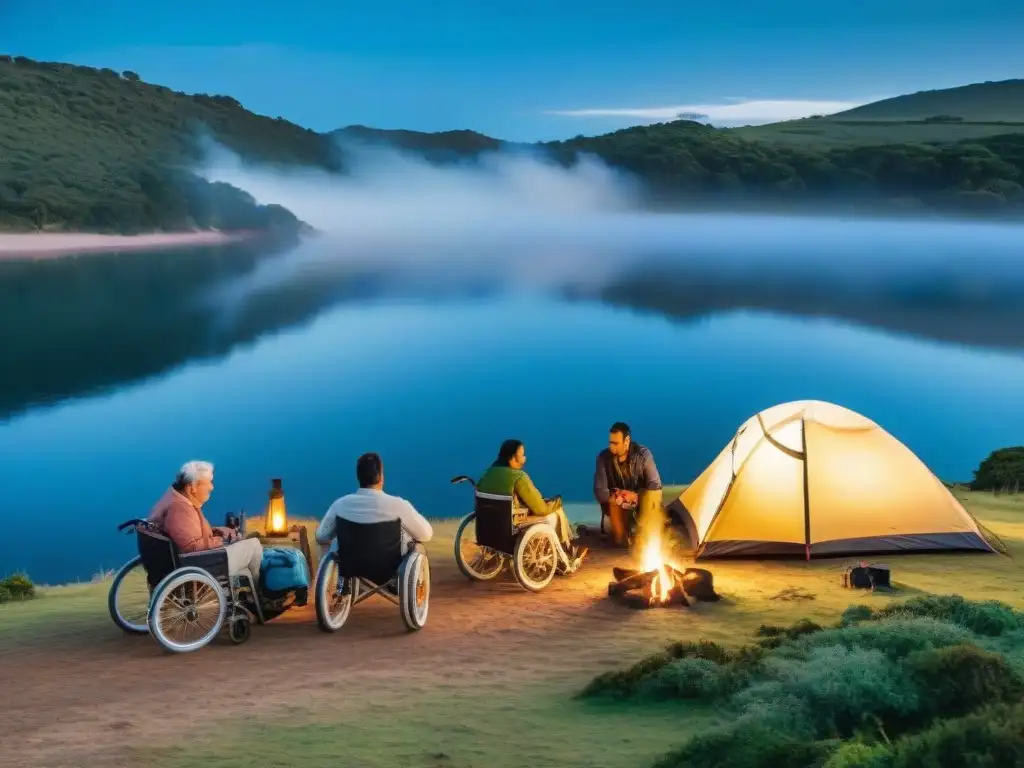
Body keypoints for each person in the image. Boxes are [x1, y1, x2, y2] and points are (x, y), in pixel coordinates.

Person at [148, 460, 265, 587]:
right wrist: (220, 540)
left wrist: (215, 531)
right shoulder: (179, 507)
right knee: (254, 545)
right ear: (191, 487)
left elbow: (185, 531)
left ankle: (243, 586)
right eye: (208, 482)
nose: (211, 487)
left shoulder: (173, 497)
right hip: (198, 566)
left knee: (244, 545)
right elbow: (191, 547)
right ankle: (259, 594)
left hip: (183, 562)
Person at [477, 439, 587, 566]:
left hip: (488, 525)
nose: (525, 459)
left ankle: (569, 544)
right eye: (522, 455)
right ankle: (565, 555)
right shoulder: (518, 476)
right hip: (510, 526)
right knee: (554, 515)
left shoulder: (487, 473)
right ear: (512, 458)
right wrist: (557, 502)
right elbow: (540, 509)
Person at [315, 452, 433, 556]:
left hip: (350, 571)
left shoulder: (340, 505)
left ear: (358, 477)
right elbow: (426, 535)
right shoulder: (398, 505)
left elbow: (321, 536)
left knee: (330, 544)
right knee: (417, 547)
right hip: (390, 572)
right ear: (381, 477)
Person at [593, 422, 663, 547]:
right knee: (614, 502)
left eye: (615, 443)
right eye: (610, 442)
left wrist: (636, 496)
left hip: (641, 500)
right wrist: (618, 495)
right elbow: (599, 490)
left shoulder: (643, 455)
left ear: (627, 441)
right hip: (617, 501)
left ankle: (648, 540)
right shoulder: (603, 458)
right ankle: (621, 541)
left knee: (653, 496)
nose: (611, 446)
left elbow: (655, 484)